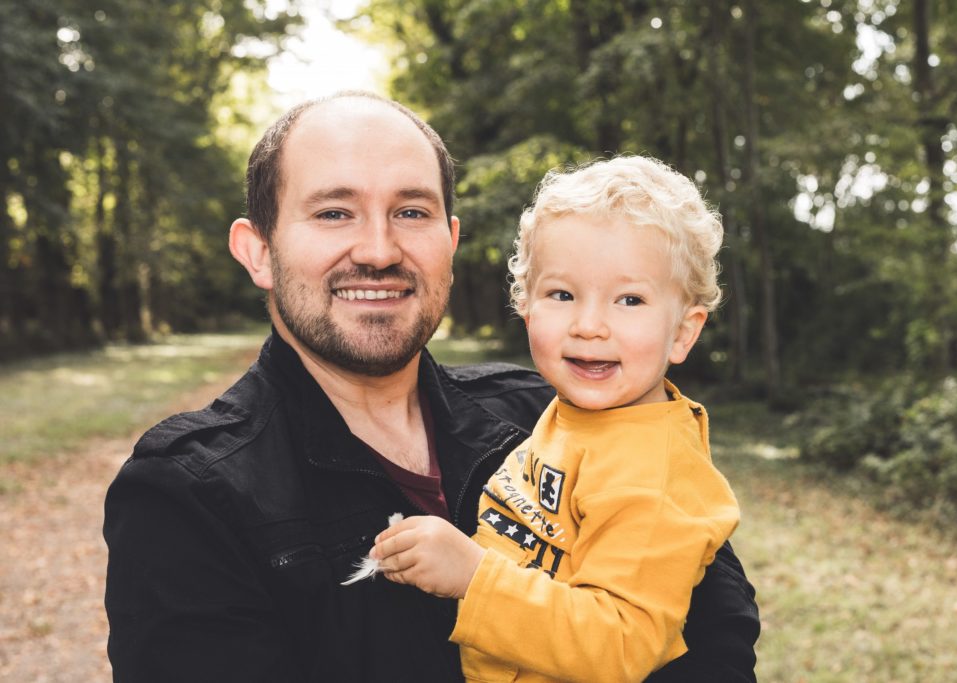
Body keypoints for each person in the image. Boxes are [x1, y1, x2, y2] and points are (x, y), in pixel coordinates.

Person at [103, 91, 759, 682]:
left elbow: (718, 644)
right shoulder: (189, 494)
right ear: (258, 250)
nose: (379, 250)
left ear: (449, 242)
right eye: (335, 212)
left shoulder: (556, 413)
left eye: (410, 211)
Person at [370, 156, 739, 682]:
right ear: (526, 306)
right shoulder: (571, 414)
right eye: (562, 295)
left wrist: (473, 577)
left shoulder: (654, 476)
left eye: (629, 299)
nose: (589, 325)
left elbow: (620, 643)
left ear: (684, 332)